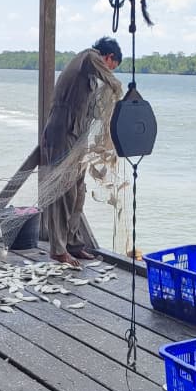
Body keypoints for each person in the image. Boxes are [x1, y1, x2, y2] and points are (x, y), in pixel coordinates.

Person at [40, 37, 123, 268]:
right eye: (113, 66)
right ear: (109, 57)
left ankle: (74, 243)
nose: (110, 70)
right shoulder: (89, 57)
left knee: (78, 190)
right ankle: (58, 250)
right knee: (63, 190)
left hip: (77, 135)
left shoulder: (89, 73)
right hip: (62, 133)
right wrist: (118, 89)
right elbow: (111, 81)